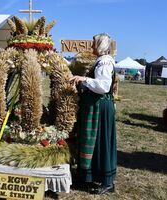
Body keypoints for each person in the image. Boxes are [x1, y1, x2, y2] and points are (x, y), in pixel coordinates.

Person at [70, 33, 117, 195]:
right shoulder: (101, 61)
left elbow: (103, 86)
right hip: (95, 105)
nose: (91, 47)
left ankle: (107, 182)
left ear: (100, 46)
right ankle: (89, 176)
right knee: (93, 141)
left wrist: (83, 79)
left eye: (94, 44)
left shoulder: (104, 62)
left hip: (100, 106)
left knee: (101, 141)